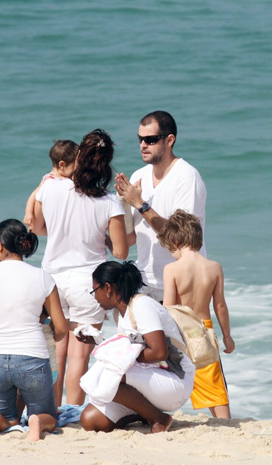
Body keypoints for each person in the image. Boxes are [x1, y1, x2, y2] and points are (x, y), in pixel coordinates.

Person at [32, 129, 128, 406]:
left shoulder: (50, 186)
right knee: (79, 356)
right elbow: (120, 251)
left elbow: (38, 228)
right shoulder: (109, 201)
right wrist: (103, 236)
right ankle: (73, 410)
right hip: (88, 283)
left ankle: (51, 409)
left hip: (52, 279)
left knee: (57, 351)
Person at [0, 219, 68, 441]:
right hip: (32, 357)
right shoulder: (42, 277)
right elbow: (61, 327)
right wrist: (50, 334)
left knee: (6, 420)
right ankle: (37, 420)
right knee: (48, 415)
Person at [79, 261, 196, 433]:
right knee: (91, 421)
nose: (95, 297)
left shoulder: (142, 305)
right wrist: (98, 342)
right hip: (149, 380)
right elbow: (130, 348)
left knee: (108, 373)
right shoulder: (122, 314)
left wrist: (121, 357)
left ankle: (160, 418)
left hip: (175, 380)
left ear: (108, 288)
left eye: (95, 291)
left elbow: (159, 352)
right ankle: (144, 413)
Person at [115, 110, 206, 301]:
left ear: (169, 140)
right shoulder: (139, 176)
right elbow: (131, 238)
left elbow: (182, 239)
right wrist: (123, 204)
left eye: (151, 139)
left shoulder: (186, 177)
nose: (143, 145)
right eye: (140, 139)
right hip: (144, 284)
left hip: (181, 286)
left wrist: (140, 204)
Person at [159, 210, 235, 418]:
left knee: (170, 378)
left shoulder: (172, 269)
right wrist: (227, 337)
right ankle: (224, 423)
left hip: (182, 333)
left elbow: (169, 308)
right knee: (215, 388)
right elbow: (220, 306)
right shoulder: (213, 267)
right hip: (204, 332)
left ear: (175, 240)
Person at [23, 140, 78, 230]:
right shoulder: (48, 179)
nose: (76, 169)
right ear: (62, 165)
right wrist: (28, 213)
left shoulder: (67, 178)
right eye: (74, 166)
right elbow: (33, 196)